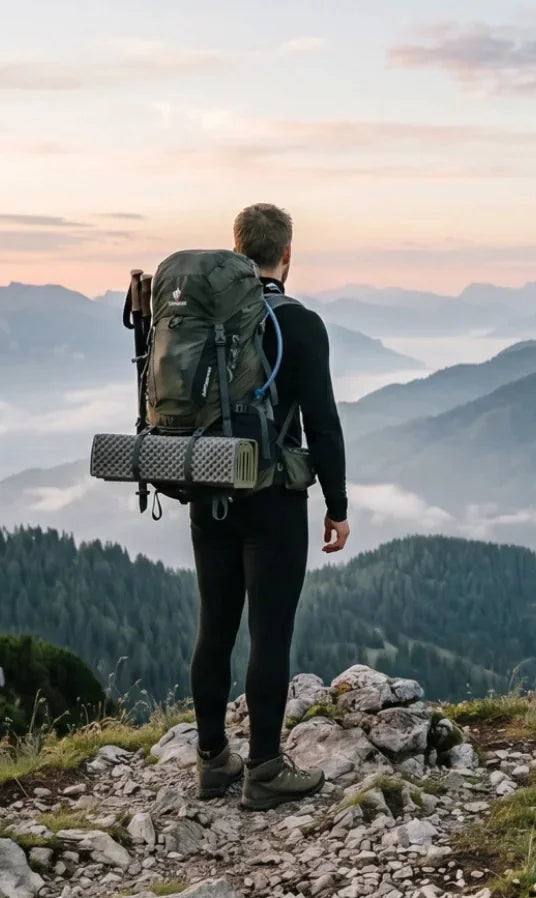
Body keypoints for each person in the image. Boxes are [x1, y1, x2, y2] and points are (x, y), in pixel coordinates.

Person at [190, 203, 352, 810]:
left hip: (208, 492)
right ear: (287, 255)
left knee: (214, 628)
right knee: (269, 633)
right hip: (276, 502)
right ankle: (263, 768)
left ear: (236, 251)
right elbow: (324, 425)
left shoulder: (208, 319)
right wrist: (336, 504)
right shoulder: (298, 322)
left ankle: (212, 762)